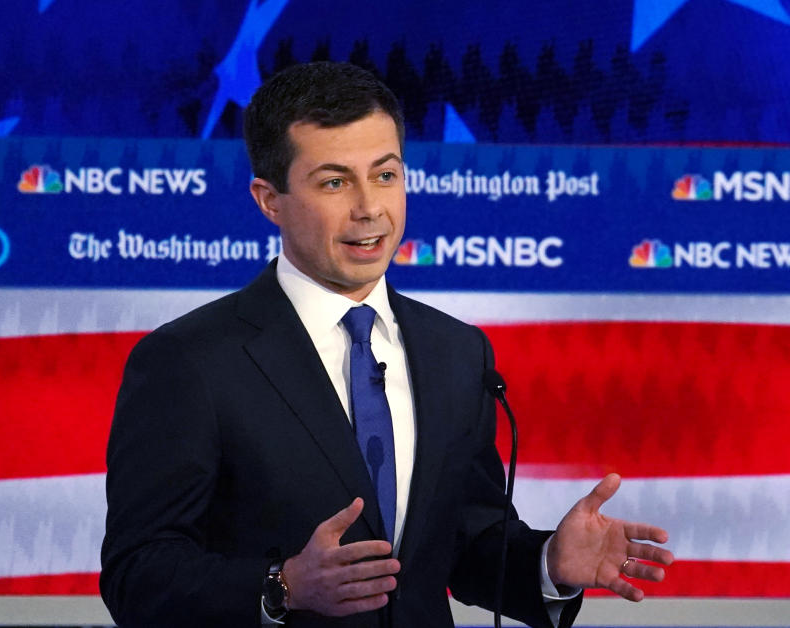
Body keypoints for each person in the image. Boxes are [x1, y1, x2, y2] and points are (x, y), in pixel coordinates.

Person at [100, 61, 673, 628]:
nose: (369, 207)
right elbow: (137, 574)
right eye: (334, 181)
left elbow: (467, 543)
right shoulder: (190, 361)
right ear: (268, 199)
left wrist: (549, 563)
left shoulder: (455, 352)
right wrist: (282, 587)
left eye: (385, 174)